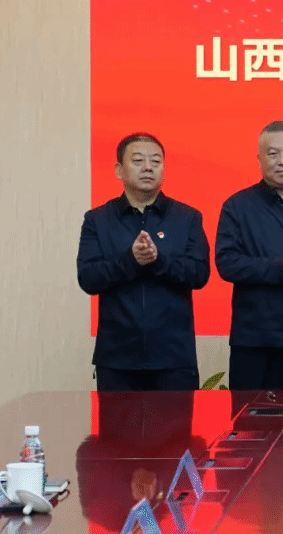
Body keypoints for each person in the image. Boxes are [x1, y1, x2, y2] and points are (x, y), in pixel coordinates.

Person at [77, 133, 210, 391]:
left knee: (176, 421)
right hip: (117, 359)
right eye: (138, 161)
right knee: (115, 421)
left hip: (174, 358)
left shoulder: (187, 217)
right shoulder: (98, 220)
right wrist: (130, 260)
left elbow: (199, 273)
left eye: (156, 161)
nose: (148, 167)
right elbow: (88, 278)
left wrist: (158, 260)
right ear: (119, 170)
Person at [215, 121, 283, 391]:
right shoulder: (237, 206)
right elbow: (227, 263)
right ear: (259, 159)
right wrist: (280, 267)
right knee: (251, 416)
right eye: (273, 154)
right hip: (255, 339)